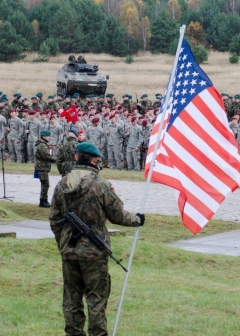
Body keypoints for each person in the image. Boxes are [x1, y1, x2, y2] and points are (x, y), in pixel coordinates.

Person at [49, 142, 145, 336]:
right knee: (96, 299)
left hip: (69, 249)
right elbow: (118, 215)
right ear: (94, 160)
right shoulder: (100, 185)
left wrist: (63, 242)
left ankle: (74, 333)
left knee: (71, 297)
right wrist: (138, 219)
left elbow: (54, 218)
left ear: (76, 157)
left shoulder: (62, 184)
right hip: (94, 251)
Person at [35, 130, 57, 207]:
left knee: (44, 184)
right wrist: (55, 160)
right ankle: (43, 201)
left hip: (42, 167)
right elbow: (46, 156)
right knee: (45, 184)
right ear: (44, 136)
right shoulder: (42, 145)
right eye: (48, 136)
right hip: (42, 167)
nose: (49, 137)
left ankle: (44, 200)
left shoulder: (42, 144)